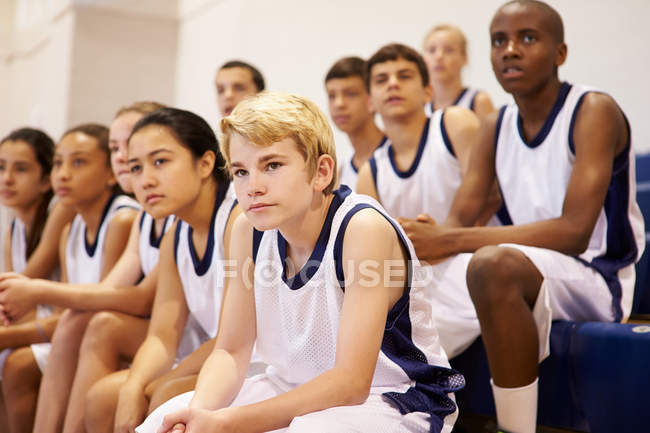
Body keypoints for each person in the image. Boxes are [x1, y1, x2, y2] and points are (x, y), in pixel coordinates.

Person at [135, 91, 463, 433]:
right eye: (241, 172)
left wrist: (226, 422)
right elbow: (231, 351)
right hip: (288, 385)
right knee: (163, 421)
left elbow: (351, 382)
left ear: (321, 172)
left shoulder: (362, 228)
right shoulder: (246, 229)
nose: (253, 187)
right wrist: (199, 414)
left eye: (272, 166)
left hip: (392, 398)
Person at [398, 1, 645, 432]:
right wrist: (414, 241)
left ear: (560, 53)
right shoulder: (495, 124)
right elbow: (457, 221)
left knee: (493, 264)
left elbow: (573, 233)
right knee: (401, 279)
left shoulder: (593, 110)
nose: (510, 50)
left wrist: (450, 241)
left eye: (527, 38)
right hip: (531, 265)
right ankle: (391, 409)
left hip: (596, 278)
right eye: (499, 41)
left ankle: (515, 429)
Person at [0, 102, 173, 433]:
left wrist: (27, 306)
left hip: (165, 340)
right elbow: (102, 292)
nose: (123, 156)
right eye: (116, 148)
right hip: (147, 335)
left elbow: (136, 300)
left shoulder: (126, 216)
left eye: (153, 155)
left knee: (92, 326)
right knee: (79, 322)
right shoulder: (74, 226)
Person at [82, 107, 240, 433]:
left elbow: (235, 335)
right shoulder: (175, 235)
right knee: (104, 397)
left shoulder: (238, 222)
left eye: (160, 161)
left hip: (249, 361)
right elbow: (162, 335)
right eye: (135, 168)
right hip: (211, 358)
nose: (146, 180)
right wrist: (134, 385)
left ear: (206, 163)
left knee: (165, 394)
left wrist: (162, 381)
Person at [356, 43, 499, 232]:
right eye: (381, 80)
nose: (393, 84)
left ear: (428, 92)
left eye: (404, 76)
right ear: (370, 102)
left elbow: (490, 195)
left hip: (476, 254)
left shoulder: (455, 122)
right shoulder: (369, 174)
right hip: (419, 261)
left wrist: (443, 241)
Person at [0, 127, 75, 431]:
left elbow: (20, 286)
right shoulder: (13, 231)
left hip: (62, 327)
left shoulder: (62, 213)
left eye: (20, 169)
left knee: (16, 363)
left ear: (46, 180)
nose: (7, 178)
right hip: (41, 326)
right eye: (2, 167)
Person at [324, 56, 385, 190]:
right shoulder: (341, 172)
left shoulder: (396, 156)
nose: (339, 104)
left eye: (351, 94)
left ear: (372, 98)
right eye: (332, 96)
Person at [422, 24, 495, 120]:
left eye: (448, 50)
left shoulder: (478, 101)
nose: (439, 56)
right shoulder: (419, 103)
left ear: (464, 57)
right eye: (432, 50)